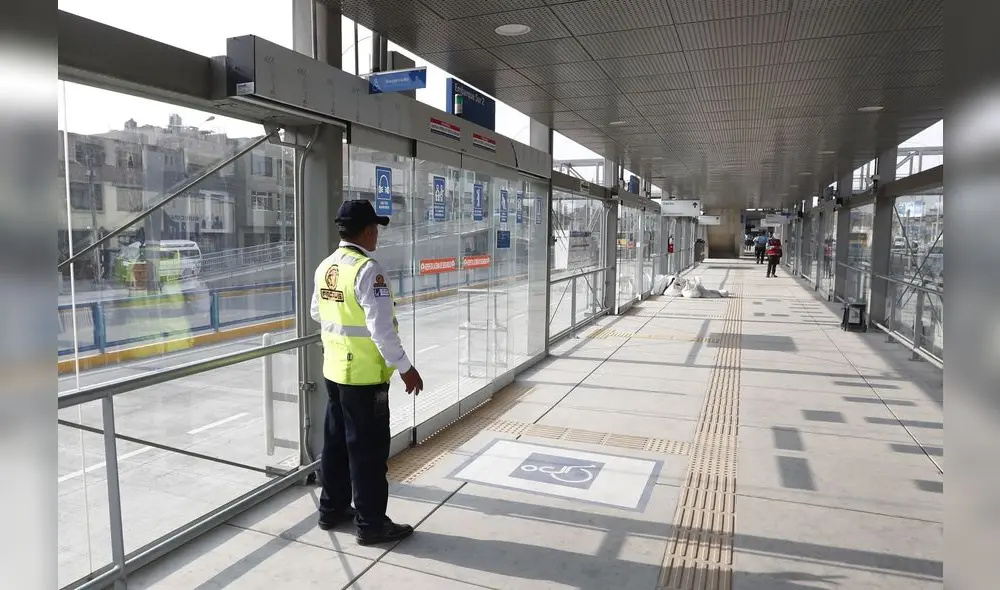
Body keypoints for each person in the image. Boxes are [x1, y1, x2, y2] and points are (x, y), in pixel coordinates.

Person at [310, 199, 424, 546]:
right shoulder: (367, 270)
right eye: (375, 228)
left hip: (333, 372)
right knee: (368, 454)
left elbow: (318, 312)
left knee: (336, 445)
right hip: (363, 378)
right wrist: (406, 369)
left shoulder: (326, 266)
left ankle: (331, 509)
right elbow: (381, 330)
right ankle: (371, 524)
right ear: (367, 230)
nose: (377, 234)